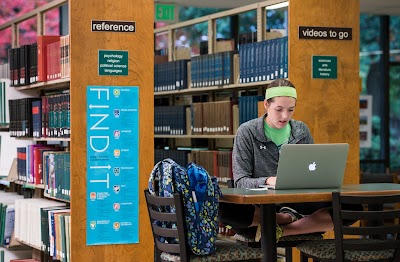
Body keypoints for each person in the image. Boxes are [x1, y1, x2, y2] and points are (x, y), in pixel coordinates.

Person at [219, 78, 359, 242]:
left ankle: (281, 231)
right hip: (261, 205)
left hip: (299, 202)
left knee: (353, 207)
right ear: (266, 104)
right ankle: (285, 218)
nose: (285, 116)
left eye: (290, 110)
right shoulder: (247, 132)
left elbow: (313, 172)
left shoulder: (301, 130)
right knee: (224, 210)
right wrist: (270, 181)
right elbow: (241, 182)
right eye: (279, 109)